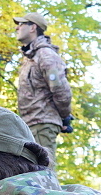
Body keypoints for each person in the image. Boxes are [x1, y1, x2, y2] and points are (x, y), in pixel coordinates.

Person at [14, 11, 73, 165]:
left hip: (42, 124)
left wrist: (65, 116)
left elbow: (60, 90)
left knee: (43, 172)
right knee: (32, 172)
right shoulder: (31, 58)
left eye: (21, 24)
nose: (17, 28)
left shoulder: (46, 55)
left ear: (33, 27)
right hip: (30, 125)